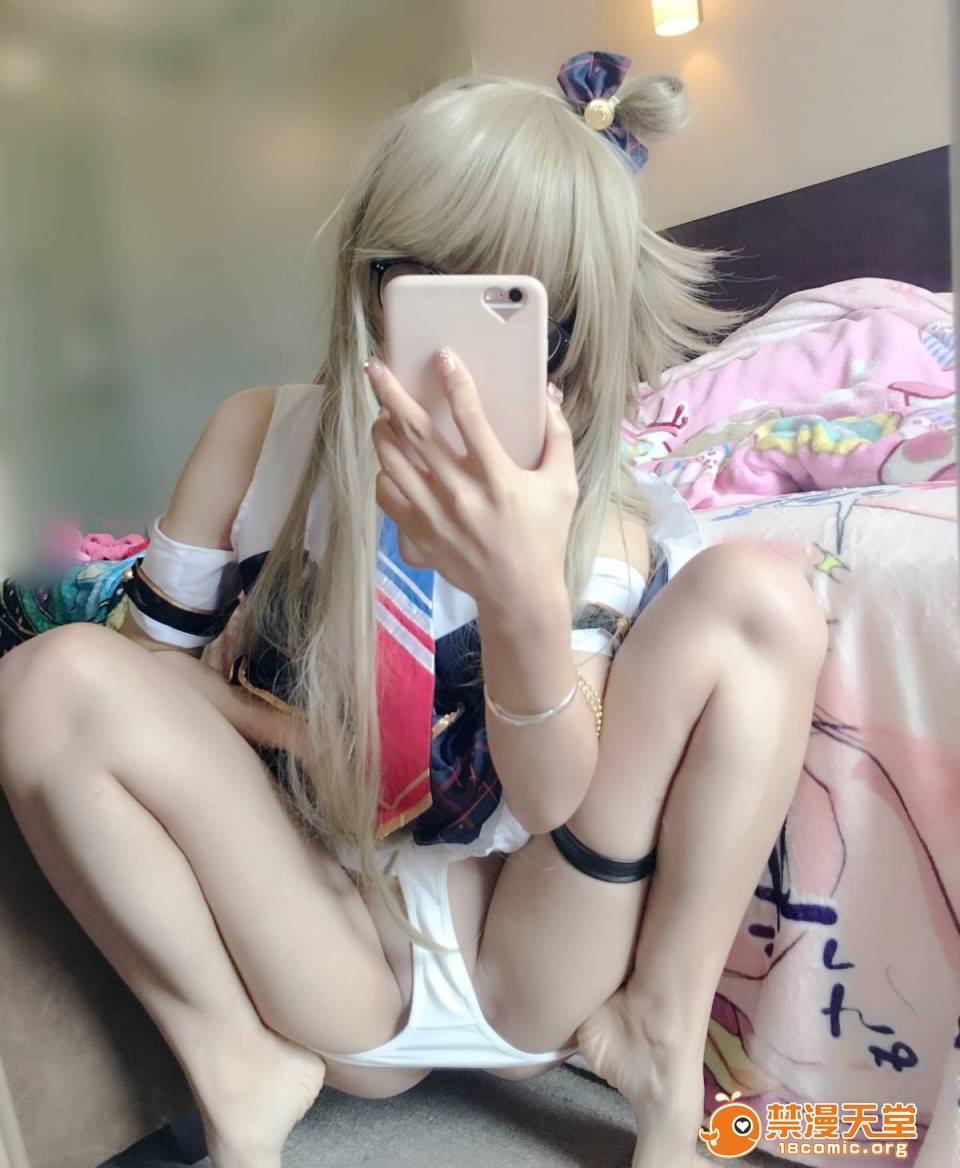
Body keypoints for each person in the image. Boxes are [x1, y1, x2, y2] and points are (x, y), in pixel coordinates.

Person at [0, 50, 829, 1168]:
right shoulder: (260, 435)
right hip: (337, 937)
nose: (451, 355)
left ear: (573, 321)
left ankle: (662, 1038)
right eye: (418, 282)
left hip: (539, 957)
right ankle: (236, 1064)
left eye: (510, 307)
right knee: (44, 678)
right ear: (367, 275)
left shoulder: (604, 505)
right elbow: (137, 670)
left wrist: (521, 593)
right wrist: (286, 730)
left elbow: (557, 803)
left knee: (764, 595)